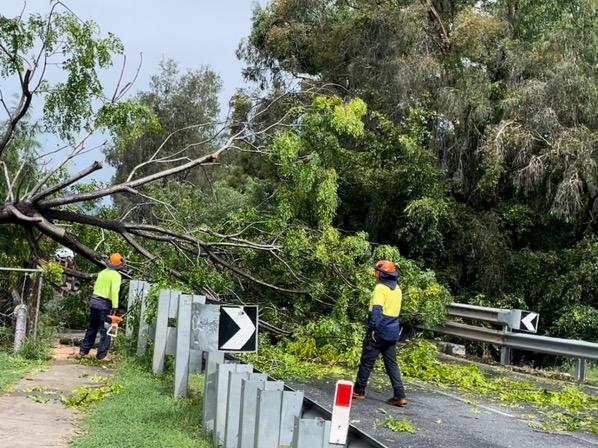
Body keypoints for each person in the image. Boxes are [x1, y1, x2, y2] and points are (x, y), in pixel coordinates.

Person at [352, 260, 407, 406]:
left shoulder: (380, 289)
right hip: (392, 331)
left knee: (367, 361)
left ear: (381, 274)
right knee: (391, 364)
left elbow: (377, 311)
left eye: (377, 271)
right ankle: (400, 395)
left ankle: (359, 391)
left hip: (379, 331)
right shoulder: (398, 289)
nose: (375, 273)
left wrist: (373, 329)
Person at [79, 253, 125, 361]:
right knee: (106, 329)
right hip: (104, 304)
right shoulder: (116, 276)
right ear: (120, 265)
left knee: (92, 327)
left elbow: (96, 287)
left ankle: (83, 350)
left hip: (94, 301)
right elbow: (114, 291)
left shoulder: (102, 273)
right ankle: (102, 355)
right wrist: (115, 307)